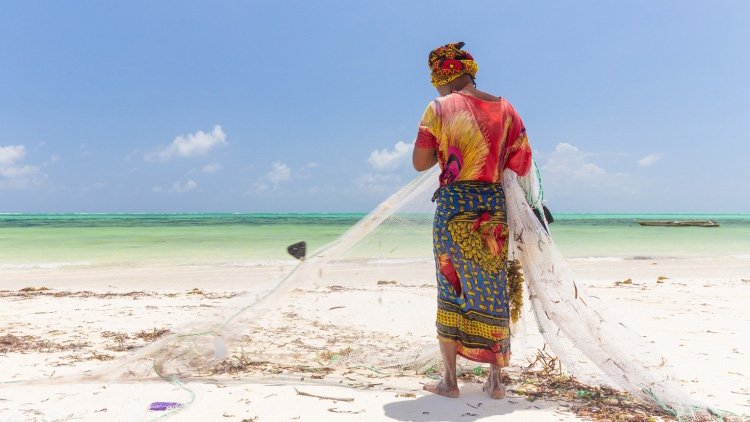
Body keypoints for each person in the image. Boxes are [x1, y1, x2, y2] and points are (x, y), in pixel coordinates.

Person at [412, 42, 532, 399]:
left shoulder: (439, 108)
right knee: (493, 288)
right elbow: (521, 163)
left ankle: (450, 382)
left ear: (441, 77)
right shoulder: (506, 108)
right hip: (493, 209)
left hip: (452, 209)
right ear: (470, 71)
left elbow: (420, 163)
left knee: (451, 286)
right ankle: (495, 381)